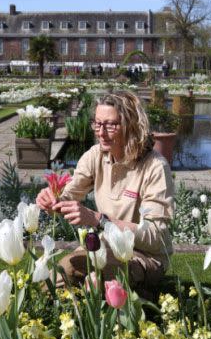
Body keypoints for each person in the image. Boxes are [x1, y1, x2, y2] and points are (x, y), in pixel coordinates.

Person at [36, 91, 175, 296]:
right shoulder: (96, 156)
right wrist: (53, 201)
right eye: (97, 123)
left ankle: (137, 306)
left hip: (142, 256)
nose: (101, 132)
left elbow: (157, 237)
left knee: (96, 282)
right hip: (104, 248)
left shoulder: (154, 167)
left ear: (131, 125)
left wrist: (99, 220)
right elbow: (70, 194)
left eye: (111, 125)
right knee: (51, 279)